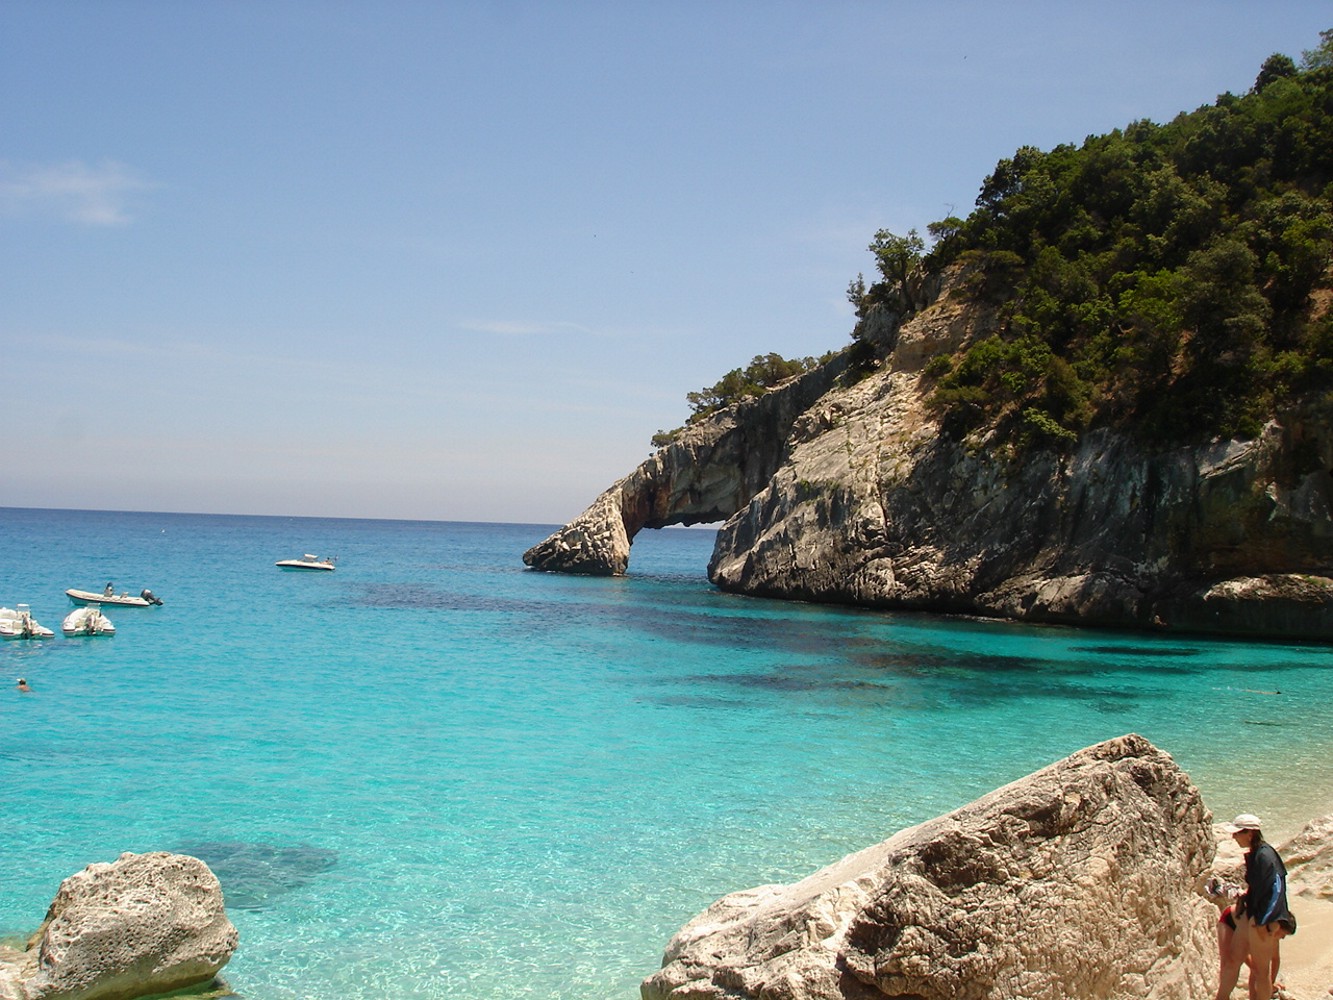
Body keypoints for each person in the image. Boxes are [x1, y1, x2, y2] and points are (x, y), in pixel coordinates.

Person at [1215, 813, 1295, 1000]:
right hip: (1252, 915)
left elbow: (1277, 890)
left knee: (1261, 972)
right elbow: (1259, 887)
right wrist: (1246, 899)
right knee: (1233, 961)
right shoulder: (1257, 854)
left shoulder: (1266, 856)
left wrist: (1265, 921)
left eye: (1237, 833)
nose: (1233, 837)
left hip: (1263, 920)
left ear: (1250, 834)